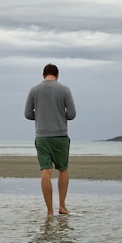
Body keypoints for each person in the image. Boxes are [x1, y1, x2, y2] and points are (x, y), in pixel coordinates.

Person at [24, 64, 76, 216]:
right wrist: (60, 115)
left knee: (45, 171)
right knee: (63, 168)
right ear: (57, 75)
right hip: (60, 135)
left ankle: (50, 211)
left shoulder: (34, 90)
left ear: (43, 75)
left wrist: (40, 116)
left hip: (42, 136)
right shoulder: (64, 89)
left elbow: (27, 114)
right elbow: (72, 114)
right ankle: (62, 206)